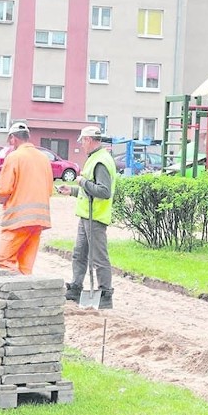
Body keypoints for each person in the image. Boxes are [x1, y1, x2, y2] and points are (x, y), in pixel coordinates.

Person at [58, 125, 117, 309]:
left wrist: (82, 181)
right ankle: (75, 287)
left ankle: (105, 294)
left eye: (82, 141)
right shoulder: (94, 158)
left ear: (89, 140)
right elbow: (88, 191)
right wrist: (73, 191)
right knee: (79, 254)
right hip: (86, 216)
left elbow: (103, 191)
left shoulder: (101, 161)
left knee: (99, 257)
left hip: (96, 218)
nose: (81, 145)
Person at [0, 122, 53, 275]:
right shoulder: (44, 158)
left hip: (18, 221)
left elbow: (3, 191)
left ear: (13, 139)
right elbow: (49, 190)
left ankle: (12, 295)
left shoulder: (15, 157)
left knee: (4, 260)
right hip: (39, 220)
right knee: (25, 267)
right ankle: (26, 294)